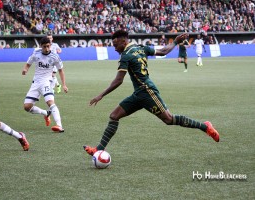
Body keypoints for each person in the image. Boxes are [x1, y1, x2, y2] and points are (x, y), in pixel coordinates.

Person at [83, 30, 220, 156]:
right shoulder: (141, 48)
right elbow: (164, 51)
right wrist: (176, 42)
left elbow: (118, 80)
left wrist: (101, 95)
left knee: (169, 119)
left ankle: (205, 127)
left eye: (115, 44)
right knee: (114, 116)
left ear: (123, 41)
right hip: (139, 93)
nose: (114, 48)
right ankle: (99, 149)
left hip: (147, 92)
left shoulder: (126, 55)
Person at [22, 36, 68, 133]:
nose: (47, 49)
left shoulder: (55, 57)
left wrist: (64, 85)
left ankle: (59, 125)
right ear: (41, 46)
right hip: (35, 83)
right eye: (44, 47)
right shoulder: (36, 54)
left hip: (47, 82)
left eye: (48, 46)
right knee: (27, 107)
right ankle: (45, 113)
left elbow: (61, 71)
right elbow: (28, 63)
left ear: (50, 45)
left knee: (50, 102)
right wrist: (25, 69)